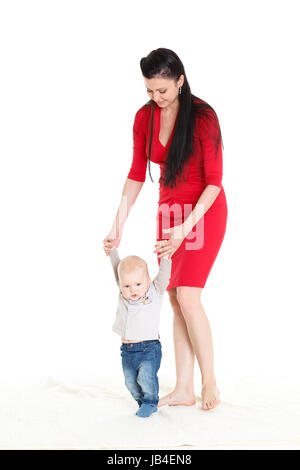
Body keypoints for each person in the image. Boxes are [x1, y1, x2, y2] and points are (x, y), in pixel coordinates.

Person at [103, 47, 228, 411]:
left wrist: (185, 227)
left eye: (163, 90)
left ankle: (211, 384)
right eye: (149, 91)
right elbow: (135, 174)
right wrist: (118, 225)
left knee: (189, 297)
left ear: (180, 80)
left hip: (203, 212)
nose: (156, 98)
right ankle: (185, 388)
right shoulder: (145, 118)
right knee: (173, 299)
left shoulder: (203, 117)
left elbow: (215, 182)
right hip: (169, 213)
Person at [106, 242, 172, 418]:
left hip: (148, 348)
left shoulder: (154, 292)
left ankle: (151, 402)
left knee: (146, 378)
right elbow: (117, 270)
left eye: (137, 284)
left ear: (148, 281)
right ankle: (141, 401)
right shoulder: (123, 296)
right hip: (127, 351)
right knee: (130, 382)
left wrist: (166, 257)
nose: (132, 289)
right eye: (127, 286)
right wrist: (112, 252)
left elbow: (164, 276)